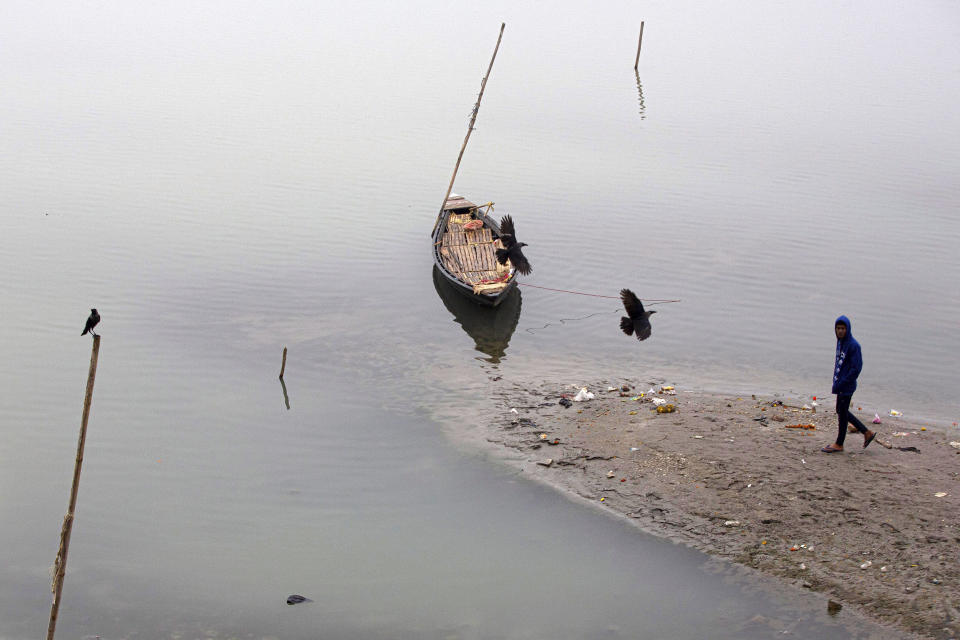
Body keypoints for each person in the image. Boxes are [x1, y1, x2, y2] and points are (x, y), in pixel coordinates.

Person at [821, 315, 876, 453]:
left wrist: (845, 381)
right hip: (840, 384)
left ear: (848, 329)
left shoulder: (853, 345)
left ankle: (840, 443)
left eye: (843, 328)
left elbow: (856, 368)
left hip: (847, 385)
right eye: (838, 328)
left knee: (842, 412)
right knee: (841, 411)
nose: (840, 331)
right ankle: (866, 432)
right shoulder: (841, 342)